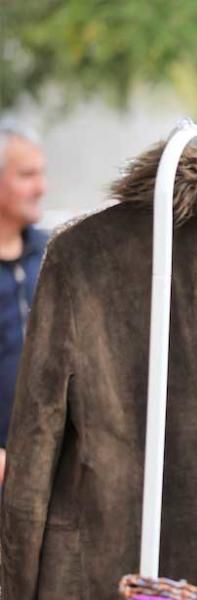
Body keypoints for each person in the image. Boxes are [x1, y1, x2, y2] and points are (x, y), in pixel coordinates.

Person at [0, 125, 47, 480]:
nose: (41, 188)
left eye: (41, 174)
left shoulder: (53, 255)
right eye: (27, 175)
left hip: (41, 471)